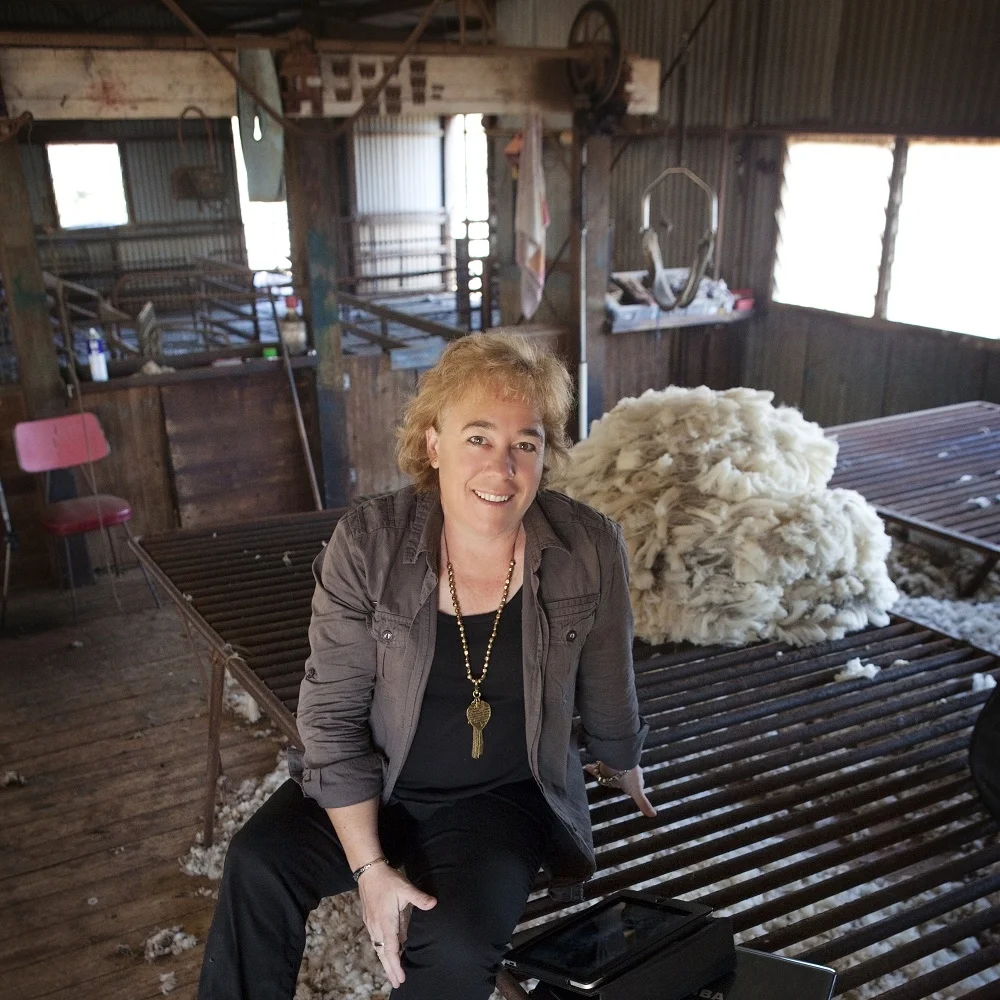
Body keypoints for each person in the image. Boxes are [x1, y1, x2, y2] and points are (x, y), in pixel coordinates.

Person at [198, 332, 656, 1000]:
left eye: (524, 444)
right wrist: (370, 869)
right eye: (478, 438)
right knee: (258, 864)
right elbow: (329, 717)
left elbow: (610, 672)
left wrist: (622, 756)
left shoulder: (587, 545)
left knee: (460, 948)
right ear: (434, 443)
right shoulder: (370, 543)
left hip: (499, 797)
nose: (502, 470)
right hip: (379, 777)